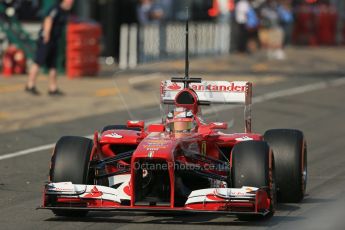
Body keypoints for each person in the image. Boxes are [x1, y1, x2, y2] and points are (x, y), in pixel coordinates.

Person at [25, 0, 74, 96]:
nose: (72, 2)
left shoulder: (65, 11)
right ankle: (30, 85)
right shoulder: (56, 8)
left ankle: (53, 88)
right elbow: (48, 19)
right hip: (47, 40)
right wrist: (46, 35)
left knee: (53, 65)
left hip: (55, 40)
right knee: (38, 62)